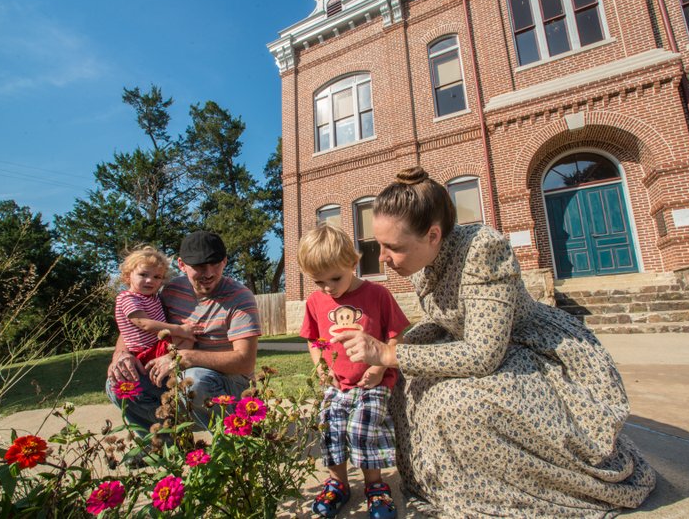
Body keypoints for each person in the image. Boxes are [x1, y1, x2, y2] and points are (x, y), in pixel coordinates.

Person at [335, 166, 656, 517]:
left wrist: (387, 353)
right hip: (475, 346)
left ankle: (509, 492)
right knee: (406, 387)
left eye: (391, 247)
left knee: (455, 403)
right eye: (379, 244)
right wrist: (390, 356)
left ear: (432, 235)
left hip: (527, 350)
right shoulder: (421, 263)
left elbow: (483, 354)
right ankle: (447, 483)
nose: (381, 257)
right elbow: (442, 321)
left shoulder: (483, 251)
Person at [297, 224, 409, 519]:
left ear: (353, 263)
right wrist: (321, 367)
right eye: (318, 281)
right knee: (330, 428)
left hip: (373, 382)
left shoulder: (378, 295)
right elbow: (313, 340)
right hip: (337, 383)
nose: (327, 288)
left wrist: (379, 365)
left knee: (363, 429)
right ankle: (338, 484)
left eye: (335, 278)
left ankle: (375, 486)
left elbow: (396, 336)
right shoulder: (315, 301)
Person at [107, 230, 261, 432]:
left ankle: (233, 436)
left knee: (194, 379)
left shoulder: (240, 298)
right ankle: (165, 440)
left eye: (215, 263)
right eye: (198, 266)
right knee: (118, 384)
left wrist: (184, 357)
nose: (208, 273)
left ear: (225, 261)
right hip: (176, 375)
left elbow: (245, 362)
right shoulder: (170, 290)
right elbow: (137, 323)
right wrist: (121, 354)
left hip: (228, 383)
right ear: (181, 264)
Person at [115, 246, 200, 365]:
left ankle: (170, 364)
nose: (150, 280)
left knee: (189, 339)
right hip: (144, 350)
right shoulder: (129, 298)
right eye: (143, 275)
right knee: (185, 337)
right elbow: (144, 324)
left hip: (156, 345)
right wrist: (180, 330)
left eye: (157, 277)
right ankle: (168, 365)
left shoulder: (153, 297)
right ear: (128, 276)